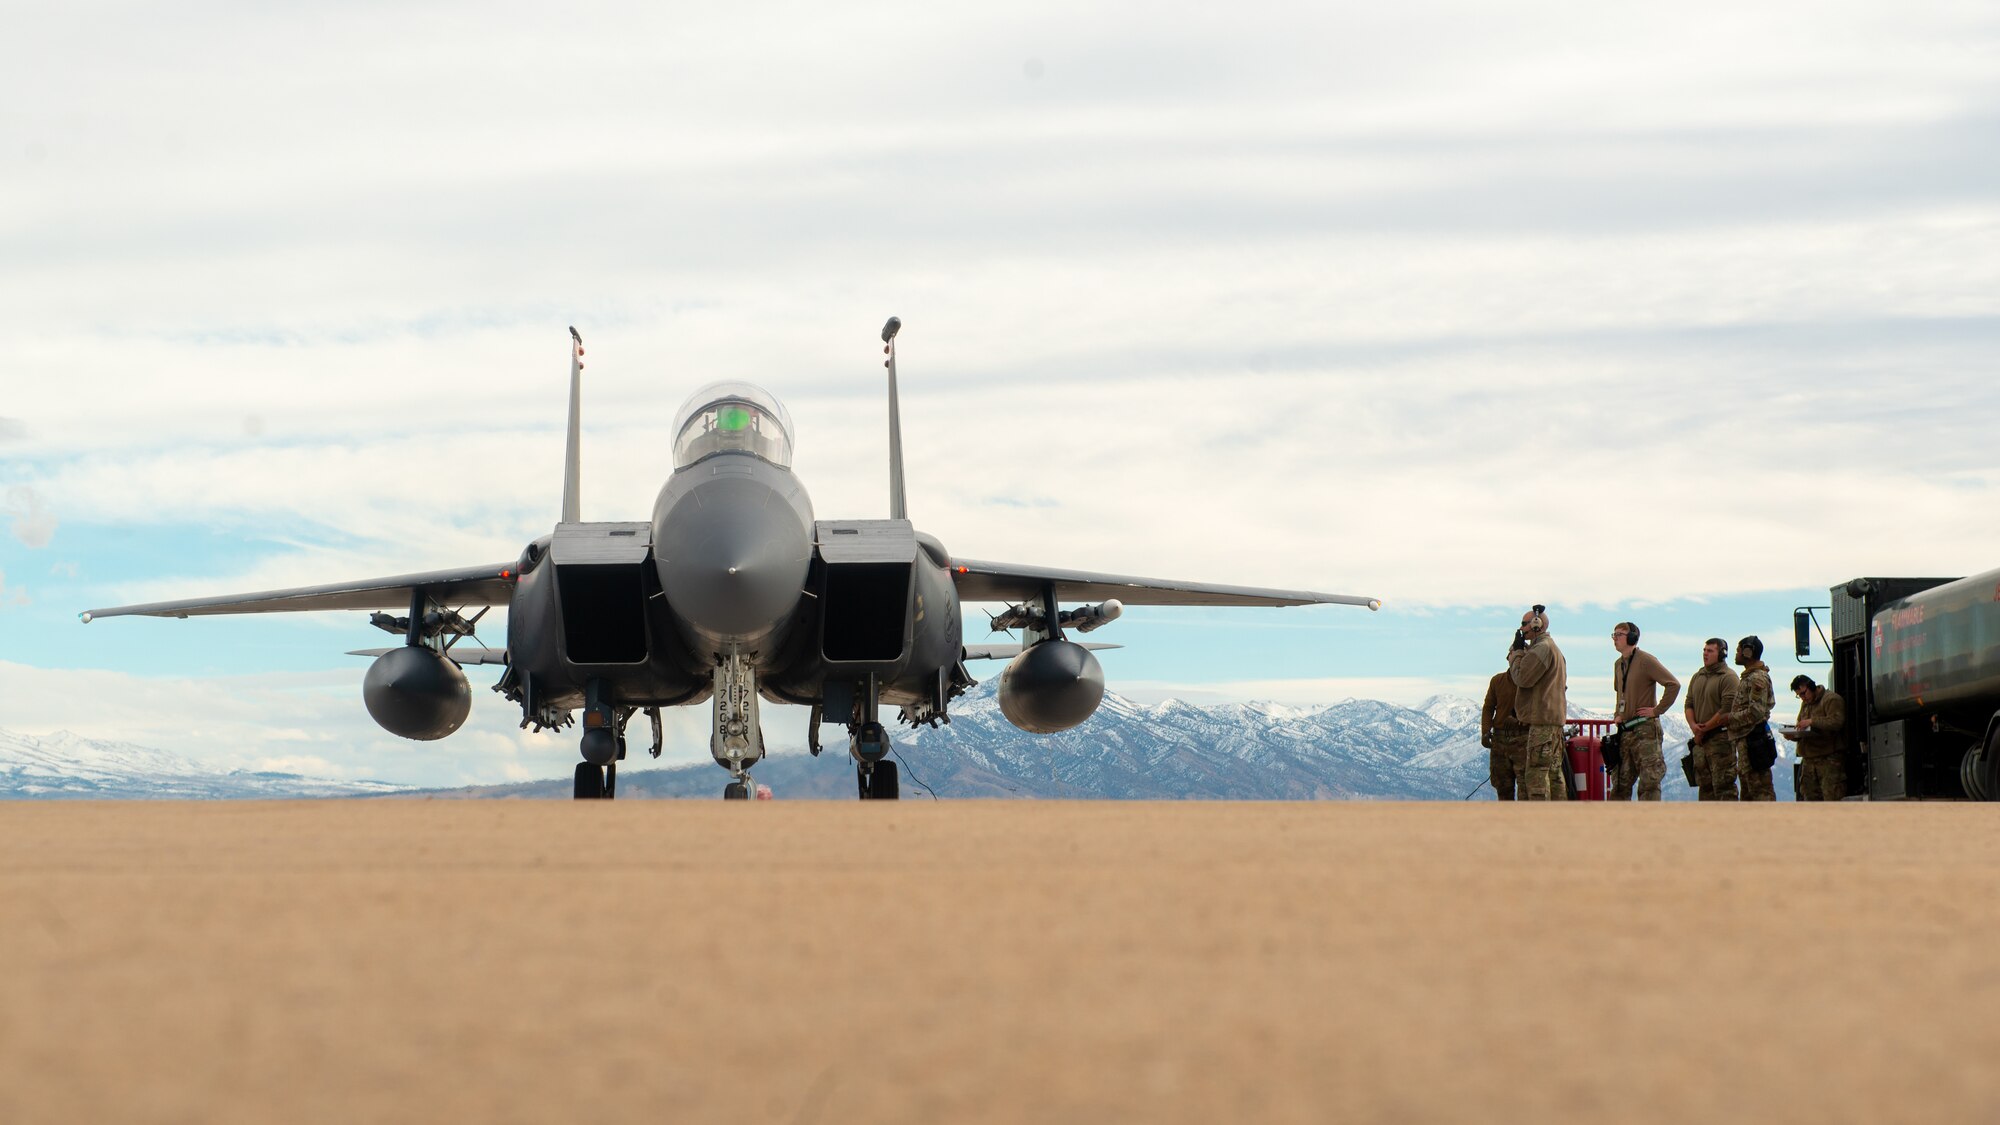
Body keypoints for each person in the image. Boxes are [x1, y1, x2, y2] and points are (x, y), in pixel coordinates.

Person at [1608, 621, 1681, 801]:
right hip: (1626, 731)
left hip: (1645, 730)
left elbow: (1673, 685)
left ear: (1632, 638)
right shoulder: (1619, 664)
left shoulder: (1646, 660)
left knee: (1649, 784)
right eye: (1614, 635)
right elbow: (1620, 693)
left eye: (1619, 635)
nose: (1615, 639)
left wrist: (1657, 710)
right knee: (1619, 785)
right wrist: (1618, 714)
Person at [1506, 604, 1569, 801]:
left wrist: (1516, 653)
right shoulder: (1552, 649)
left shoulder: (1542, 649)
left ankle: (1540, 822)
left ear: (1536, 624)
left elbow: (1522, 678)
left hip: (1542, 724)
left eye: (1524, 624)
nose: (1521, 629)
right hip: (1552, 723)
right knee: (1554, 774)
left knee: (1536, 776)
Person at [1682, 638, 1741, 800]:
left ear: (1722, 654)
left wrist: (1704, 728)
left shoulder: (1729, 677)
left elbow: (1726, 709)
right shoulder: (1697, 676)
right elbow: (1689, 703)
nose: (1705, 654)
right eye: (1704, 650)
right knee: (1705, 788)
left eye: (1710, 651)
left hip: (1720, 740)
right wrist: (1694, 726)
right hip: (1701, 741)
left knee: (1724, 788)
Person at [1726, 635, 1778, 801]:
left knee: (1760, 792)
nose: (1736, 654)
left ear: (1748, 653)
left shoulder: (1757, 679)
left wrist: (1730, 719)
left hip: (1754, 741)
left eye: (1738, 650)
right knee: (1748, 792)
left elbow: (1756, 711)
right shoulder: (1749, 677)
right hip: (1747, 742)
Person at [1785, 675, 1847, 802]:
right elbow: (1801, 726)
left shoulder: (1831, 699)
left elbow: (1837, 721)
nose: (1803, 698)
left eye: (1803, 693)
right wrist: (1794, 735)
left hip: (1828, 760)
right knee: (1810, 800)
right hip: (1809, 761)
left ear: (1811, 687)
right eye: (1799, 696)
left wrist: (1813, 721)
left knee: (1832, 798)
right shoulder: (1806, 704)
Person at [1482, 654, 1530, 800]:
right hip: (1500, 740)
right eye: (1514, 658)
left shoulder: (1531, 682)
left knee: (1525, 787)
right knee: (1502, 786)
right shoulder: (1497, 681)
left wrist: (1519, 721)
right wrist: (1485, 731)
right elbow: (1488, 707)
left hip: (1523, 738)